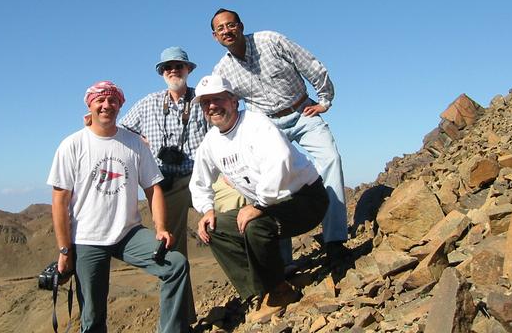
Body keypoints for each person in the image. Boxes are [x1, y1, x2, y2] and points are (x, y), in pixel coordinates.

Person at [47, 80, 191, 333]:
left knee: (176, 264)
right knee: (92, 317)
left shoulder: (134, 144)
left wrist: (161, 228)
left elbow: (153, 188)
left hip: (128, 233)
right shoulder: (72, 145)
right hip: (87, 238)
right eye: (100, 100)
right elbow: (60, 201)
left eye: (112, 100)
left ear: (120, 105)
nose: (106, 105)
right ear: (89, 105)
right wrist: (64, 249)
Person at [210, 8, 349, 261]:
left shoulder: (270, 41)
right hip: (268, 127)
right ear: (215, 37)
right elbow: (222, 108)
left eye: (231, 25)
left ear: (240, 26)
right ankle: (283, 263)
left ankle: (335, 240)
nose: (227, 31)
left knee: (331, 160)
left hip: (301, 112)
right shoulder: (222, 71)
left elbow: (310, 64)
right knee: (273, 182)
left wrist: (324, 100)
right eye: (221, 29)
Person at [189, 75, 329, 323]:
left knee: (254, 226)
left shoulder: (256, 124)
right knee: (215, 229)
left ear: (233, 101)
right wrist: (206, 209)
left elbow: (281, 160)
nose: (211, 106)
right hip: (270, 207)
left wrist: (259, 204)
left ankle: (280, 291)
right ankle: (263, 288)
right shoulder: (211, 142)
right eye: (205, 103)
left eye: (217, 99)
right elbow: (199, 181)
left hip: (305, 199)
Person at [119, 46, 207, 258]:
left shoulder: (202, 99)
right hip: (166, 181)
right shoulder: (149, 103)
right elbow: (121, 130)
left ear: (188, 70)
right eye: (168, 67)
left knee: (223, 222)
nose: (173, 70)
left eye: (179, 66)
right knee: (170, 244)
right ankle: (179, 290)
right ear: (162, 72)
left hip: (201, 177)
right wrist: (141, 141)